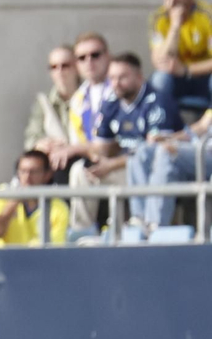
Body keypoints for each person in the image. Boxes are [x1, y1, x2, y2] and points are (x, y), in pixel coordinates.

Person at [88, 53, 184, 228]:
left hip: (153, 170)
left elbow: (154, 151)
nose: (116, 83)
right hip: (121, 166)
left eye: (122, 77)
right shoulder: (111, 102)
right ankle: (84, 231)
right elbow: (102, 147)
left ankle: (142, 222)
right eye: (112, 78)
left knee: (138, 160)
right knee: (82, 172)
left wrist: (111, 164)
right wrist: (98, 159)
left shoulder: (157, 101)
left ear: (139, 77)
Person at [66, 33, 114, 231]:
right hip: (94, 161)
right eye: (82, 58)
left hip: (123, 162)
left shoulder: (120, 86)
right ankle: (82, 234)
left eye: (95, 55)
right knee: (78, 171)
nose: (89, 61)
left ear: (107, 56)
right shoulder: (77, 99)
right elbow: (78, 140)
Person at [149, 0, 212, 107]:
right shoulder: (158, 18)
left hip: (205, 76)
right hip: (176, 77)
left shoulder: (208, 15)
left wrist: (186, 70)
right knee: (160, 79)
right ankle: (164, 126)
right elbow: (160, 61)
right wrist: (175, 25)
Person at [0, 150, 69, 246]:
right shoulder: (2, 195)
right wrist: (11, 206)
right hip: (2, 259)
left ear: (47, 175)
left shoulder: (59, 207)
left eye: (34, 172)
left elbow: (52, 250)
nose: (27, 177)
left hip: (38, 260)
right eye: (23, 171)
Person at [26, 45, 82, 180]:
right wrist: (41, 144)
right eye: (54, 67)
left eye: (65, 65)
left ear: (76, 67)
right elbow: (31, 139)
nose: (60, 71)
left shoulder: (89, 97)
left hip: (82, 160)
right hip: (53, 162)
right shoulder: (43, 101)